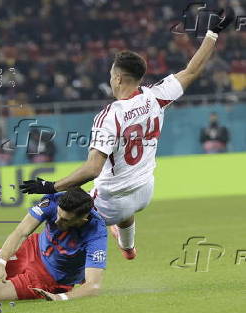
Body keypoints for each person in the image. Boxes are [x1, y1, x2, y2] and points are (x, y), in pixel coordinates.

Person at [20, 9, 234, 260]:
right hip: (145, 191)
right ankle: (128, 247)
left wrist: (49, 185)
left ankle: (24, 266)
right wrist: (213, 33)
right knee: (123, 205)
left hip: (110, 200)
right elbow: (192, 70)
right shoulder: (155, 96)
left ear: (119, 77)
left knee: (52, 214)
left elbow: (92, 170)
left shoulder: (110, 115)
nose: (110, 80)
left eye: (111, 75)